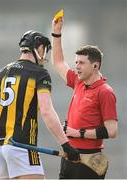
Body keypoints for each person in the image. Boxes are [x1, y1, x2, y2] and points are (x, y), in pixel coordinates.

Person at [0, 30, 80, 179]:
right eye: (45, 50)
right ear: (39, 47)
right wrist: (65, 144)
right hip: (22, 146)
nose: (45, 55)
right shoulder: (39, 74)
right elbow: (47, 112)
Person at [51, 17, 118, 179]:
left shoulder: (105, 92)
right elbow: (58, 62)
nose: (76, 66)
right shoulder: (78, 82)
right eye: (76, 62)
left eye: (81, 63)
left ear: (95, 66)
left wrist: (78, 132)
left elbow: (112, 131)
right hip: (69, 154)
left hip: (89, 159)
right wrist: (56, 33)